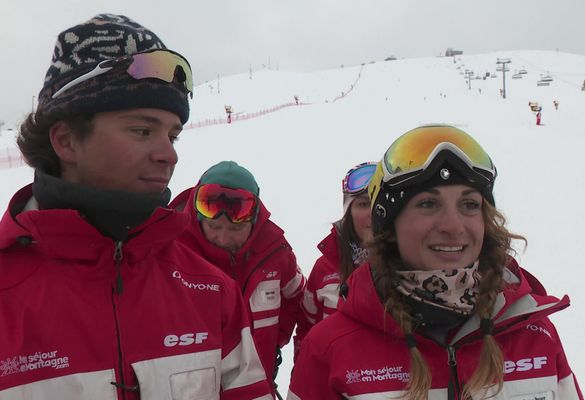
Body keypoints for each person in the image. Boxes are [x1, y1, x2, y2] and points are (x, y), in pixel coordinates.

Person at [0, 14, 272, 399]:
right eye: (142, 131)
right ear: (66, 141)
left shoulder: (210, 291)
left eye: (172, 135)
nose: (168, 155)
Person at [288, 125, 583, 399]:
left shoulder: (535, 334)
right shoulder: (330, 349)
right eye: (428, 204)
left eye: (469, 205)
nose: (453, 226)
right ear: (389, 226)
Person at [170, 161, 307, 397]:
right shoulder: (172, 256)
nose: (222, 238)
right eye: (213, 226)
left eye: (235, 230)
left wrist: (276, 338)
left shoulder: (275, 252)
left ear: (254, 224)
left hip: (257, 389)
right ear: (196, 217)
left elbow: (298, 296)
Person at [300, 162, 376, 330]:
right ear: (348, 213)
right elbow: (307, 328)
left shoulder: (411, 263)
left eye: (377, 203)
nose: (372, 212)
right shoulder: (325, 268)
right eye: (363, 204)